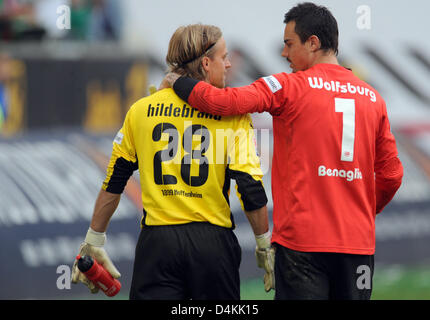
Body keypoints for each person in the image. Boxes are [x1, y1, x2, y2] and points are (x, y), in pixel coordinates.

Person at [163, 2, 404, 300]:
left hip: (302, 245)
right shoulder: (373, 98)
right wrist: (363, 212)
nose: (283, 53)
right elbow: (392, 176)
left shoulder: (288, 86)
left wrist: (178, 81)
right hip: (357, 248)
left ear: (313, 43)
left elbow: (225, 103)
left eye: (289, 44)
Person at [71, 23, 274, 300]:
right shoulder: (233, 116)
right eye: (223, 57)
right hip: (212, 246)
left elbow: (115, 182)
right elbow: (250, 187)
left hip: (158, 246)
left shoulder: (140, 111)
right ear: (205, 63)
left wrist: (94, 239)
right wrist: (263, 244)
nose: (228, 65)